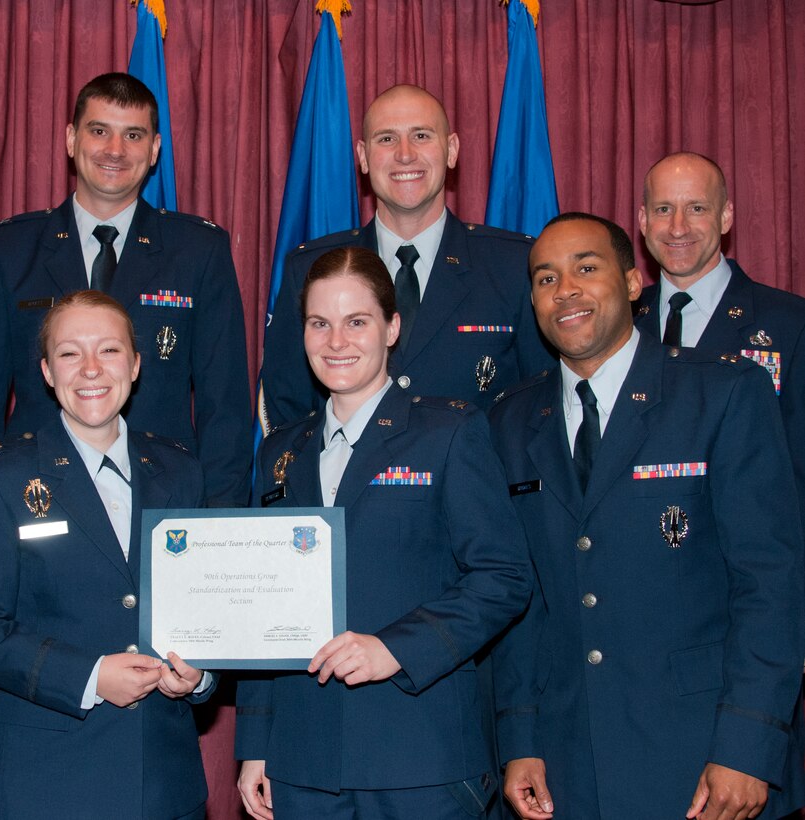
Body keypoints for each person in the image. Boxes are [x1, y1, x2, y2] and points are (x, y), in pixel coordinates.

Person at [489, 212, 805, 819]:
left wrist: (748, 746)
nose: (566, 291)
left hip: (700, 758)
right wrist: (520, 738)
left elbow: (770, 584)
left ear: (635, 284)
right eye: (546, 279)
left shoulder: (723, 394)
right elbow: (519, 601)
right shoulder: (509, 421)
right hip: (563, 762)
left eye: (587, 268)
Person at [237, 247, 531, 819]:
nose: (336, 341)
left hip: (420, 758)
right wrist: (254, 746)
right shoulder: (281, 452)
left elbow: (503, 578)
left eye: (357, 322)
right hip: (303, 762)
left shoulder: (449, 430)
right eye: (319, 324)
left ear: (392, 328)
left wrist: (394, 647)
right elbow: (260, 604)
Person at [0, 290, 214, 819]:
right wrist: (88, 675)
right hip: (47, 780)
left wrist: (200, 676)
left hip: (163, 781)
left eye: (109, 351)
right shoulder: (2, 475)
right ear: (46, 371)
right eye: (70, 353)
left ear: (135, 365)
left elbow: (204, 610)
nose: (91, 369)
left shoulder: (181, 472)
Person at [0, 72, 251, 507]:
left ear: (154, 150)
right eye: (99, 131)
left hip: (161, 501)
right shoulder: (13, 249)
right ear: (72, 139)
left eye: (133, 135)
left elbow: (224, 407)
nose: (115, 150)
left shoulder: (198, 251)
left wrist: (215, 531)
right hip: (36, 496)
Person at [259, 84, 554, 431]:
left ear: (452, 150)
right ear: (363, 157)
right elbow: (288, 412)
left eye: (422, 136)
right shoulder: (309, 269)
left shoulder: (512, 265)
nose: (404, 154)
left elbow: (542, 405)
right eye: (386, 139)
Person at [636, 151, 805, 519]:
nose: (678, 227)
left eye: (696, 208)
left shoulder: (791, 324)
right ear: (643, 220)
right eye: (664, 209)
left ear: (726, 216)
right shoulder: (621, 323)